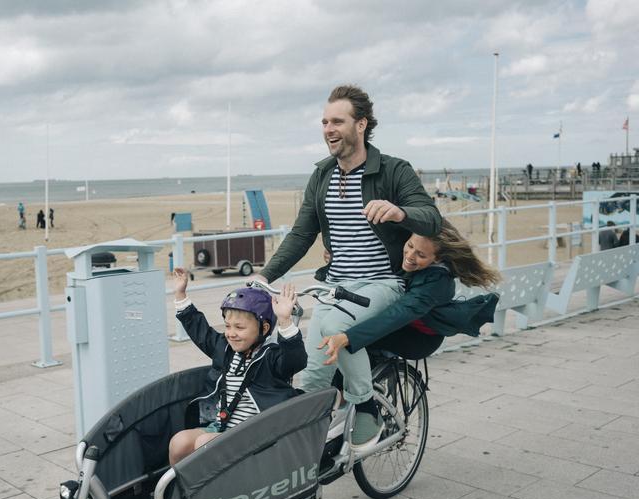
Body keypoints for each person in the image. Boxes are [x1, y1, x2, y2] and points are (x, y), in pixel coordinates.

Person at [257, 84, 441, 446]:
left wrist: (400, 212)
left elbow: (432, 218)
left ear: (361, 125)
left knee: (334, 326)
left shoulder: (393, 170)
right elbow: (302, 233)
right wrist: (264, 276)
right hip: (335, 286)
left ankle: (366, 405)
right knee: (312, 376)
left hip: (382, 283)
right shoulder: (322, 176)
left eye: (337, 121)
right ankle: (307, 452)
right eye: (325, 122)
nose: (328, 129)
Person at [318, 220, 500, 450]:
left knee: (348, 343)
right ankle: (350, 402)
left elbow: (398, 313)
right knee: (344, 357)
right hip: (400, 325)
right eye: (410, 246)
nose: (411, 256)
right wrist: (337, 259)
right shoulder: (405, 254)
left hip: (416, 338)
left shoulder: (437, 283)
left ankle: (367, 411)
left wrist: (348, 337)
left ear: (437, 258)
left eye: (421, 255)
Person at [168, 268, 307, 465]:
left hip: (255, 435)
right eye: (227, 326)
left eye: (239, 327)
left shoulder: (271, 357)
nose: (231, 333)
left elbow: (296, 360)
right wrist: (181, 294)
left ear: (264, 328)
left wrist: (285, 321)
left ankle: (210, 485)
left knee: (204, 443)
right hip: (222, 426)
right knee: (179, 441)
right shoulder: (225, 349)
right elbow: (200, 331)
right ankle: (180, 485)